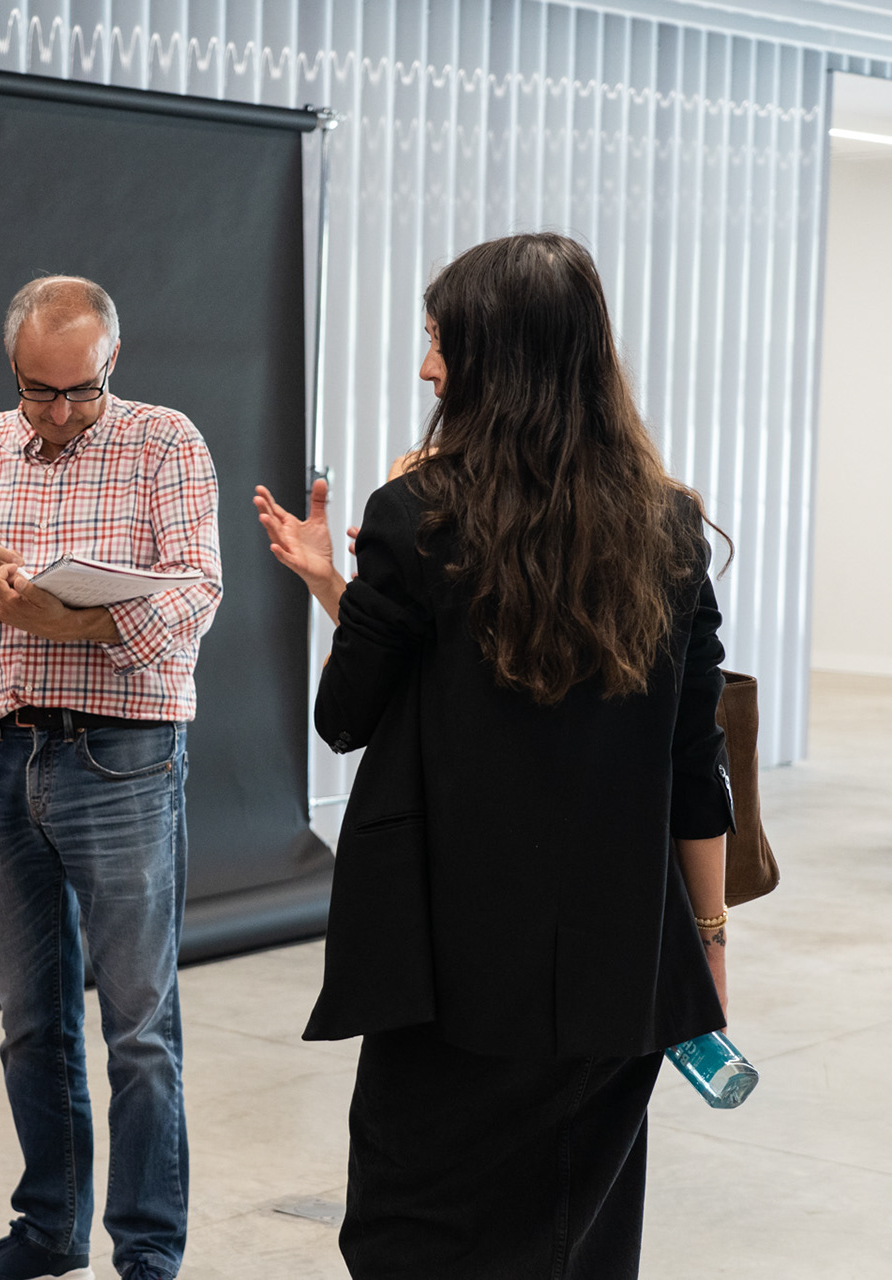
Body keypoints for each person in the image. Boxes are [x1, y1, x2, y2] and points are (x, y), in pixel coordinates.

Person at [254, 232, 734, 1279]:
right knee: (577, 1234)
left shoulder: (416, 515)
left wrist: (345, 587)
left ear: (497, 359)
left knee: (413, 1233)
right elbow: (696, 769)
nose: (427, 366)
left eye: (441, 340)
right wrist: (707, 945)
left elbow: (348, 712)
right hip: (621, 962)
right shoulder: (669, 528)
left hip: (449, 964)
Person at [0, 276, 223, 1280]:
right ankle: (48, 1229)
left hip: (121, 757)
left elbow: (196, 592)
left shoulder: (164, 442)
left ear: (111, 362)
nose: (60, 411)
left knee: (140, 1027)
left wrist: (76, 620)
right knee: (31, 1021)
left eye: (81, 389)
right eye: (39, 390)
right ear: (14, 370)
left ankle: (148, 1251)